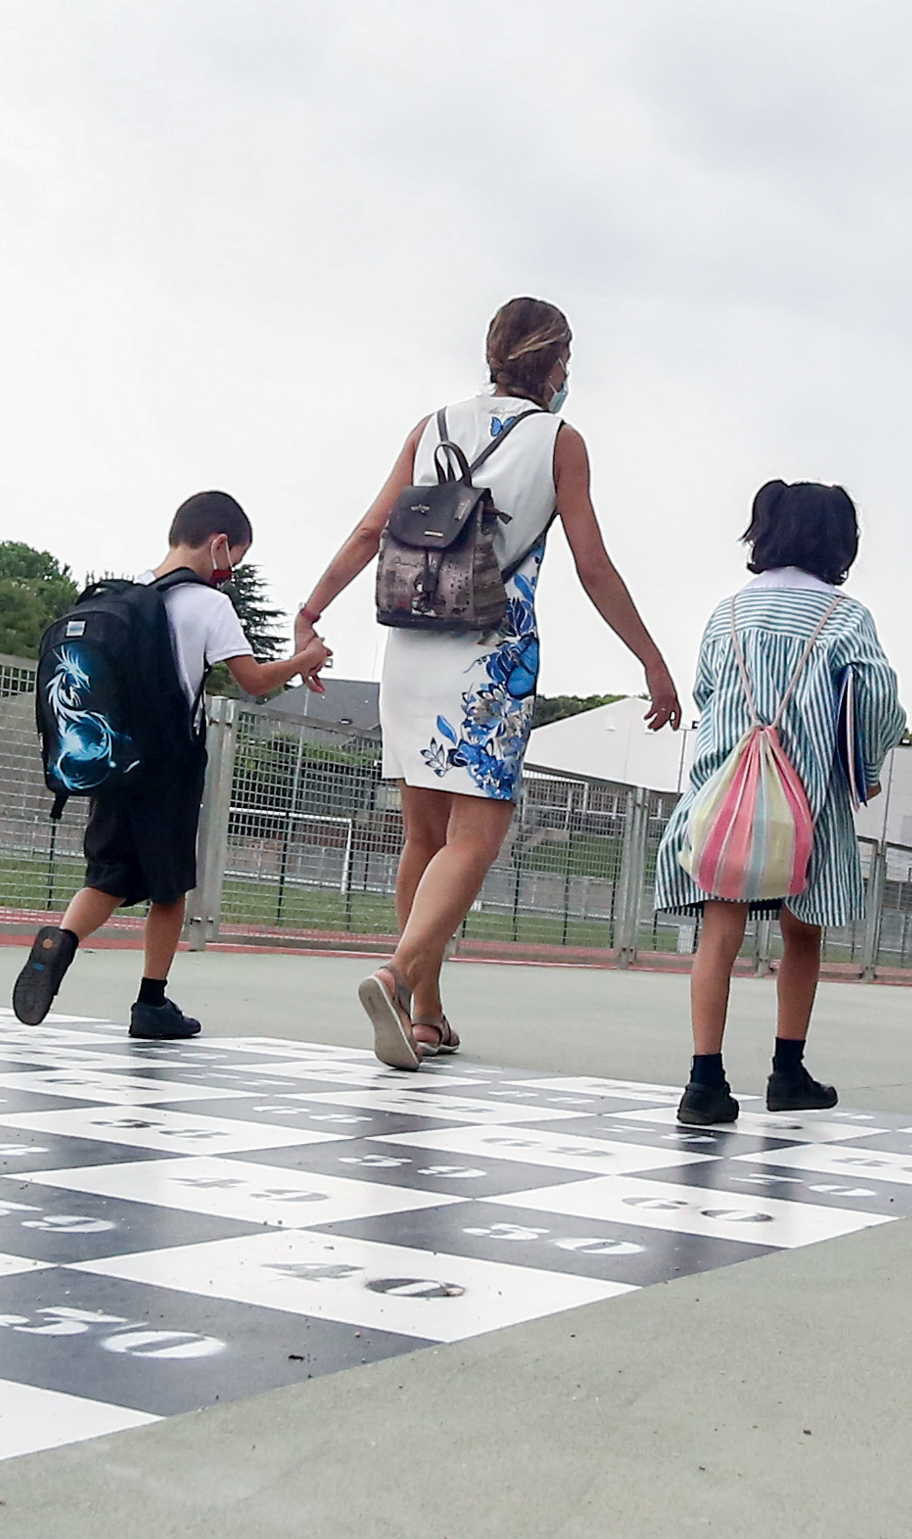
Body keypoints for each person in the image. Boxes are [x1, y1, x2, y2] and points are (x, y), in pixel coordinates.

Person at [291, 297, 680, 1072]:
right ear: (558, 362)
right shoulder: (559, 441)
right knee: (475, 838)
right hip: (490, 655)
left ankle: (427, 1013)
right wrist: (652, 661)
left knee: (423, 838)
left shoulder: (430, 426)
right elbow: (592, 567)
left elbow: (372, 531)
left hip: (409, 645)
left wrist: (311, 610)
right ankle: (398, 977)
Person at [12, 491, 330, 1039]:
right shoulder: (210, 605)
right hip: (169, 766)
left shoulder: (133, 590)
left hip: (117, 758)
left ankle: (60, 940)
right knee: (168, 888)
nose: (230, 574)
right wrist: (305, 661)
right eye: (234, 561)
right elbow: (251, 681)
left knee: (109, 874)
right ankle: (151, 1003)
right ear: (219, 544)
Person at [658, 481, 902, 1129]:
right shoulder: (846, 618)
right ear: (838, 542)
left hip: (728, 794)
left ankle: (703, 1080)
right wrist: (867, 769)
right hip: (808, 799)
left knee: (720, 931)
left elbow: (708, 695)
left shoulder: (726, 613)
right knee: (802, 932)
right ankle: (787, 1071)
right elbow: (877, 700)